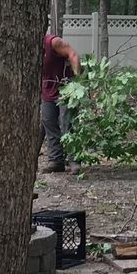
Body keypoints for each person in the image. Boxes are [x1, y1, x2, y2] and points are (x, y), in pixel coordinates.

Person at [39, 32, 81, 172]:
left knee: (66, 122)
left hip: (65, 88)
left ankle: (74, 160)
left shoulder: (53, 42)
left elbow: (73, 54)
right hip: (47, 89)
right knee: (48, 121)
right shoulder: (27, 49)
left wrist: (77, 82)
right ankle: (56, 161)